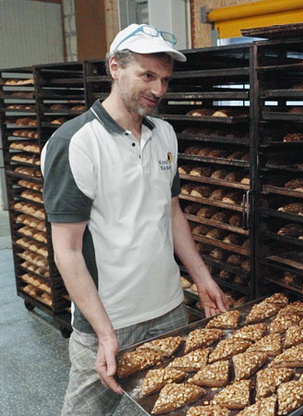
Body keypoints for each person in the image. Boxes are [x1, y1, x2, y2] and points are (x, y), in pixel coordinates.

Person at [41, 24, 229, 415]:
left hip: (170, 310)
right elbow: (67, 251)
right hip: (111, 320)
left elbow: (171, 212)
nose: (158, 90)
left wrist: (202, 278)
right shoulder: (76, 142)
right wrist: (104, 332)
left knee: (180, 406)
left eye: (165, 80)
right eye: (147, 76)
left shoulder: (165, 135)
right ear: (115, 67)